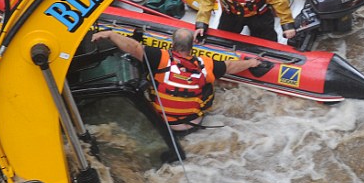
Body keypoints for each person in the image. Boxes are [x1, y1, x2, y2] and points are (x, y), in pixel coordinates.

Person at [92, 27, 262, 160]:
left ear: (172, 45)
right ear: (192, 47)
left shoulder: (159, 57)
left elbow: (133, 47)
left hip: (165, 126)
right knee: (209, 83)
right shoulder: (206, 64)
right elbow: (232, 66)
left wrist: (111, 35)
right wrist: (252, 63)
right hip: (193, 124)